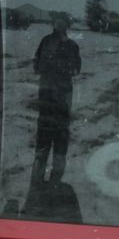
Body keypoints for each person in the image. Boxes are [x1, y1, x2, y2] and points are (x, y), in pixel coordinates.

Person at [32, 16, 81, 185]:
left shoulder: (50, 42)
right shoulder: (69, 45)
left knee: (47, 138)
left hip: (51, 95)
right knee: (56, 138)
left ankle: (42, 182)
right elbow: (75, 70)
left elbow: (37, 67)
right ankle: (52, 183)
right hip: (57, 96)